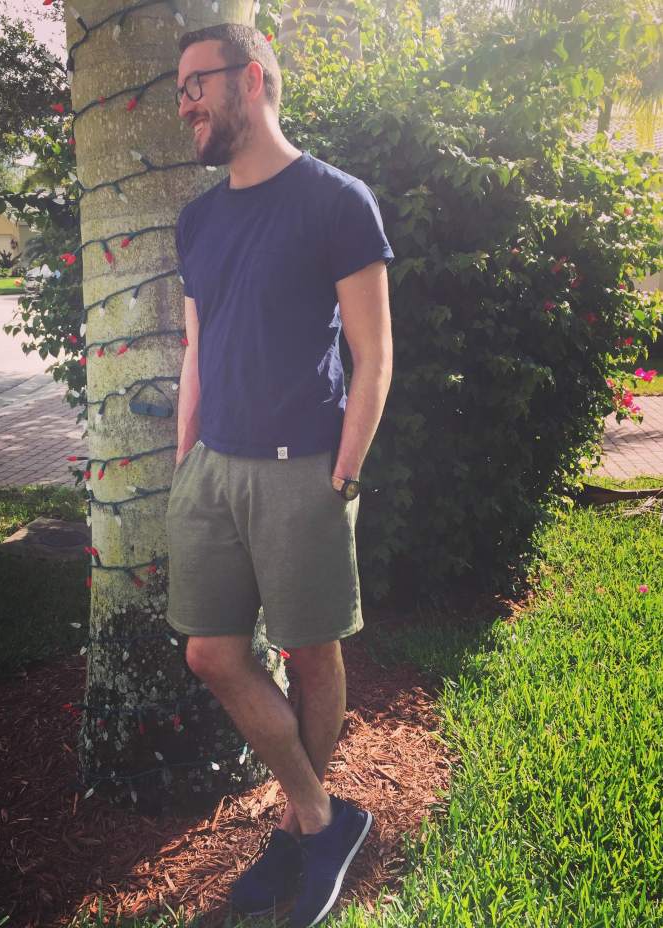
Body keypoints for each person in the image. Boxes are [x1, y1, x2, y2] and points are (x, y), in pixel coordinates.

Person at [167, 23, 393, 928]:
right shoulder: (198, 216)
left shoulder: (337, 202)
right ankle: (323, 819)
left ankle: (303, 825)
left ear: (250, 80)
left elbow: (375, 356)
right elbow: (196, 348)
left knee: (310, 652)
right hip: (211, 471)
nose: (185, 101)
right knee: (210, 651)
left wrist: (344, 469)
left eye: (197, 83)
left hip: (305, 469)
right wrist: (186, 459)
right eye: (179, 87)